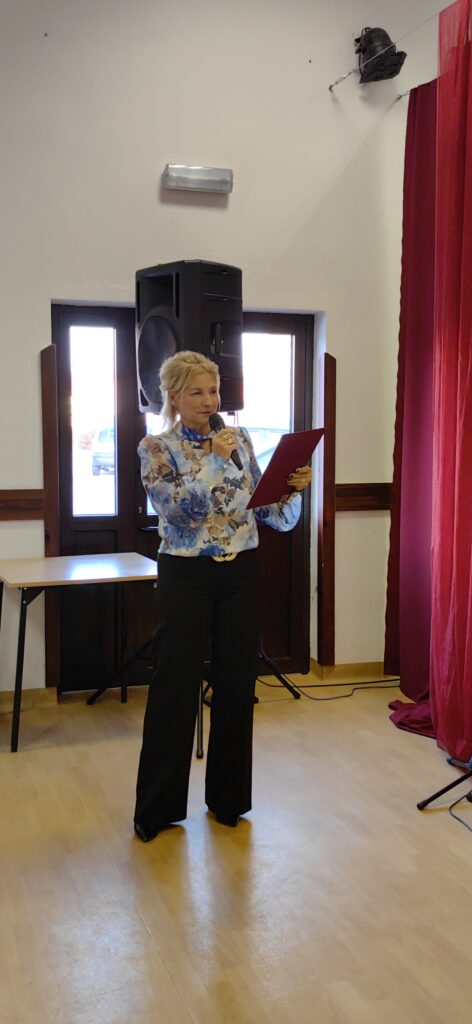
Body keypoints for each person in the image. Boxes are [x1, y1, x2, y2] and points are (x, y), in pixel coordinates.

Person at [134, 350, 312, 841]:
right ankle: (157, 809)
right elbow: (179, 513)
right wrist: (213, 461)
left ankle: (229, 800)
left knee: (236, 686)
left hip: (241, 573)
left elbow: (270, 514)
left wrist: (293, 489)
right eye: (196, 392)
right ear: (173, 397)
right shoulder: (156, 447)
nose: (209, 401)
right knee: (175, 687)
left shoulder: (242, 439)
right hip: (186, 575)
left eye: (213, 391)